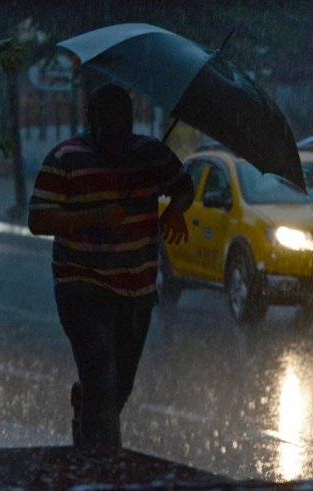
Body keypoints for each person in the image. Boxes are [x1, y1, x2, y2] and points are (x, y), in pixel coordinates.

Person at [27, 83, 194, 448]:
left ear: (130, 123)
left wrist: (176, 209)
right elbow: (38, 220)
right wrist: (95, 216)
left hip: (137, 289)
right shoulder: (66, 158)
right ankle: (98, 466)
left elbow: (184, 185)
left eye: (121, 127)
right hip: (82, 285)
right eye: (106, 128)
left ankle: (87, 409)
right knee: (102, 380)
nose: (114, 137)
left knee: (119, 385)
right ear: (91, 121)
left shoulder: (151, 155)